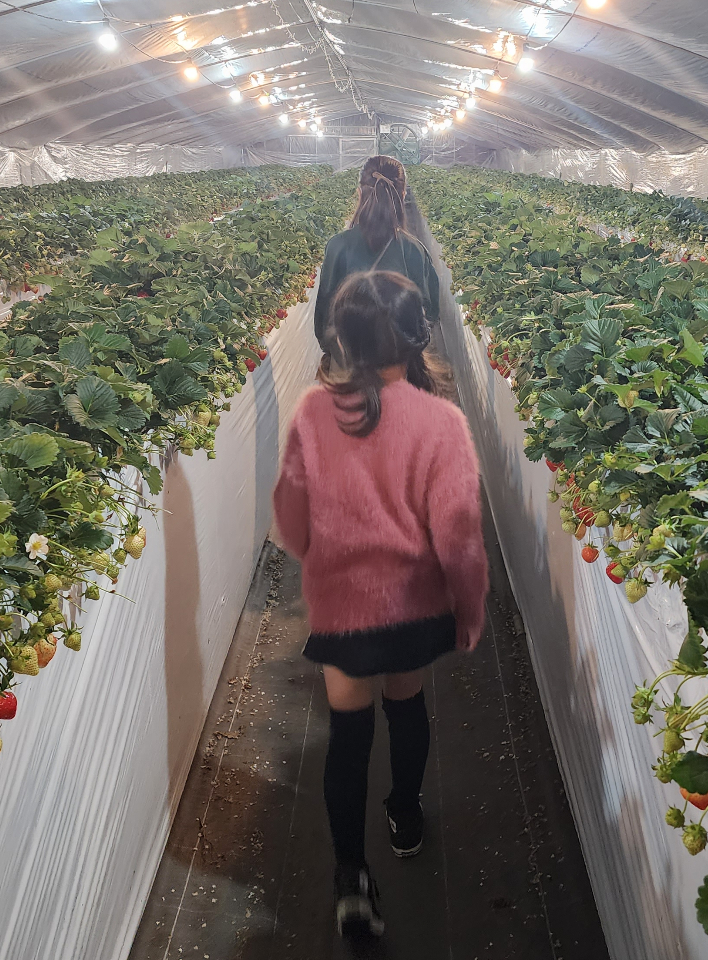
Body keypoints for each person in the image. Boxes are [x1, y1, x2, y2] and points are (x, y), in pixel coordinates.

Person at [273, 270, 488, 939]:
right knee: (407, 703)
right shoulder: (441, 422)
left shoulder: (314, 412)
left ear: (343, 338)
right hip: (414, 604)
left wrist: (325, 559)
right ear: (418, 335)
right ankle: (405, 814)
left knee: (348, 735)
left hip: (342, 605)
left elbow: (290, 520)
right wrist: (469, 608)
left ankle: (350, 878)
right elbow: (459, 535)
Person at [313, 155, 441, 358]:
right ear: (403, 194)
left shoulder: (338, 246)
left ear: (359, 193)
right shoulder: (415, 250)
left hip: (352, 362)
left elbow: (323, 318)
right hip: (400, 364)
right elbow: (429, 313)